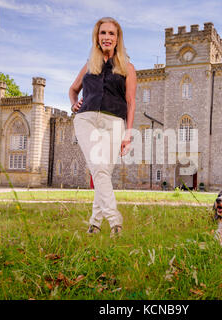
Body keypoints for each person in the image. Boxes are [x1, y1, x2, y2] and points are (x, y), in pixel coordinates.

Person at [69, 17, 137, 237]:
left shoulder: (127, 67)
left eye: (111, 33)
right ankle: (115, 221)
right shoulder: (89, 65)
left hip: (114, 122)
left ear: (118, 39)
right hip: (86, 119)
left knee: (102, 172)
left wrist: (128, 134)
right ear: (97, 38)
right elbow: (73, 89)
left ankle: (94, 224)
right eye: (103, 33)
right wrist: (73, 103)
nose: (107, 37)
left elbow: (131, 102)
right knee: (99, 169)